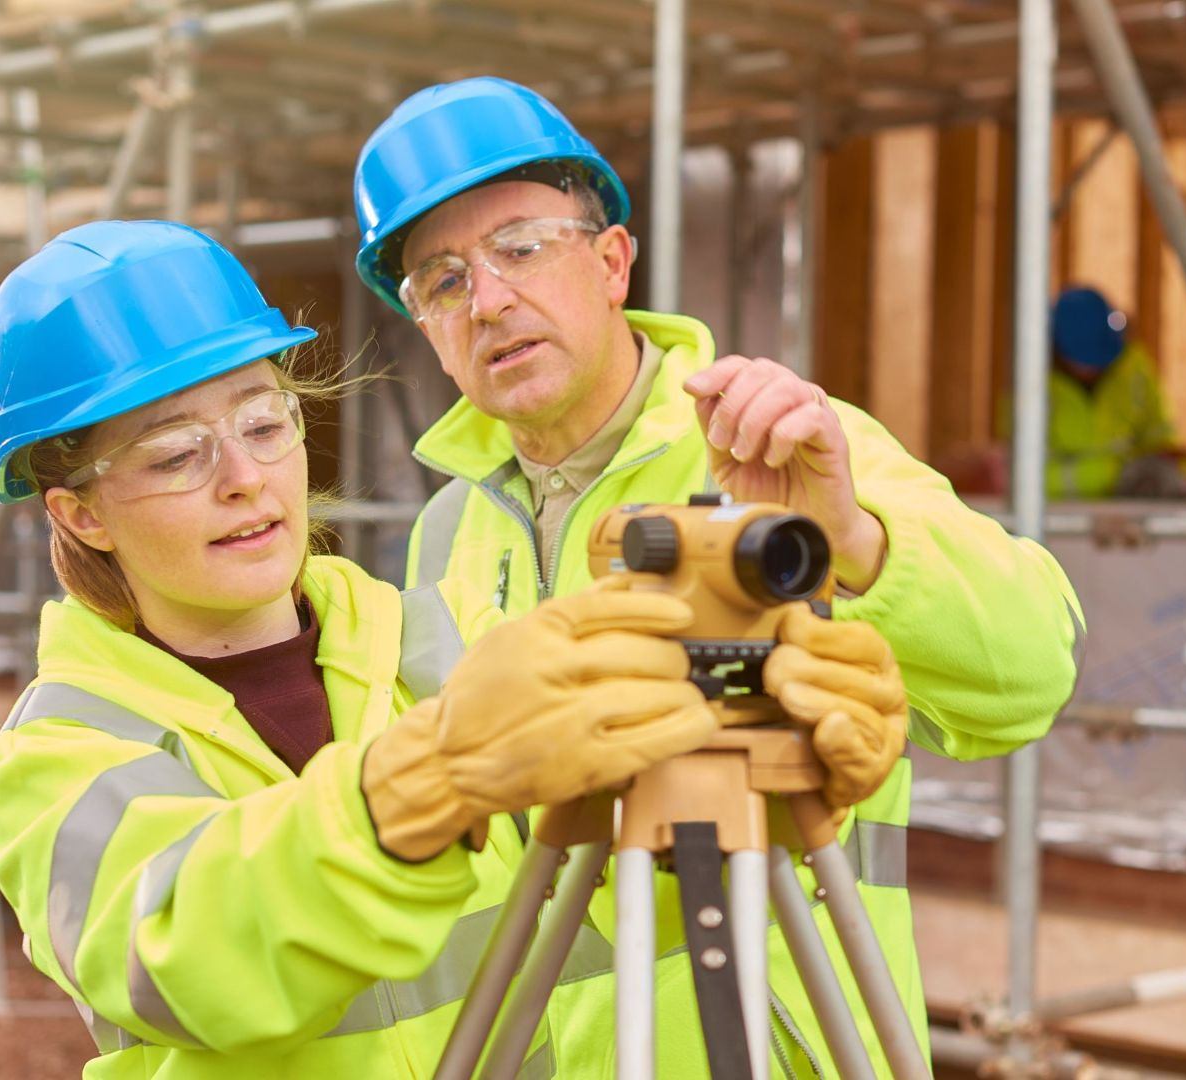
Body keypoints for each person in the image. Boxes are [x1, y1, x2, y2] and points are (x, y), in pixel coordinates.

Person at [353, 77, 1087, 1076]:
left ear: (612, 262)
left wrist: (849, 536)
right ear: (426, 329)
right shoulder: (449, 533)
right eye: (441, 281)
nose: (487, 301)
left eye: (520, 247)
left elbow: (1031, 670)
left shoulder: (781, 451)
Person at [0, 219, 788, 1076]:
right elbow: (200, 960)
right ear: (81, 515)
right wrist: (412, 790)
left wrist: (749, 733)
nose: (245, 478)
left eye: (263, 423)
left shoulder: (441, 640)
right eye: (177, 456)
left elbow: (616, 894)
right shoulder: (59, 757)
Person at [1043, 285, 1186, 500]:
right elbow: (1022, 476)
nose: (1095, 368)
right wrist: (1116, 473)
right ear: (1057, 349)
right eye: (1084, 360)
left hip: (1133, 508)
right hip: (1058, 516)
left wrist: (1178, 474)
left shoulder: (1133, 368)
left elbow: (1160, 438)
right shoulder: (1033, 384)